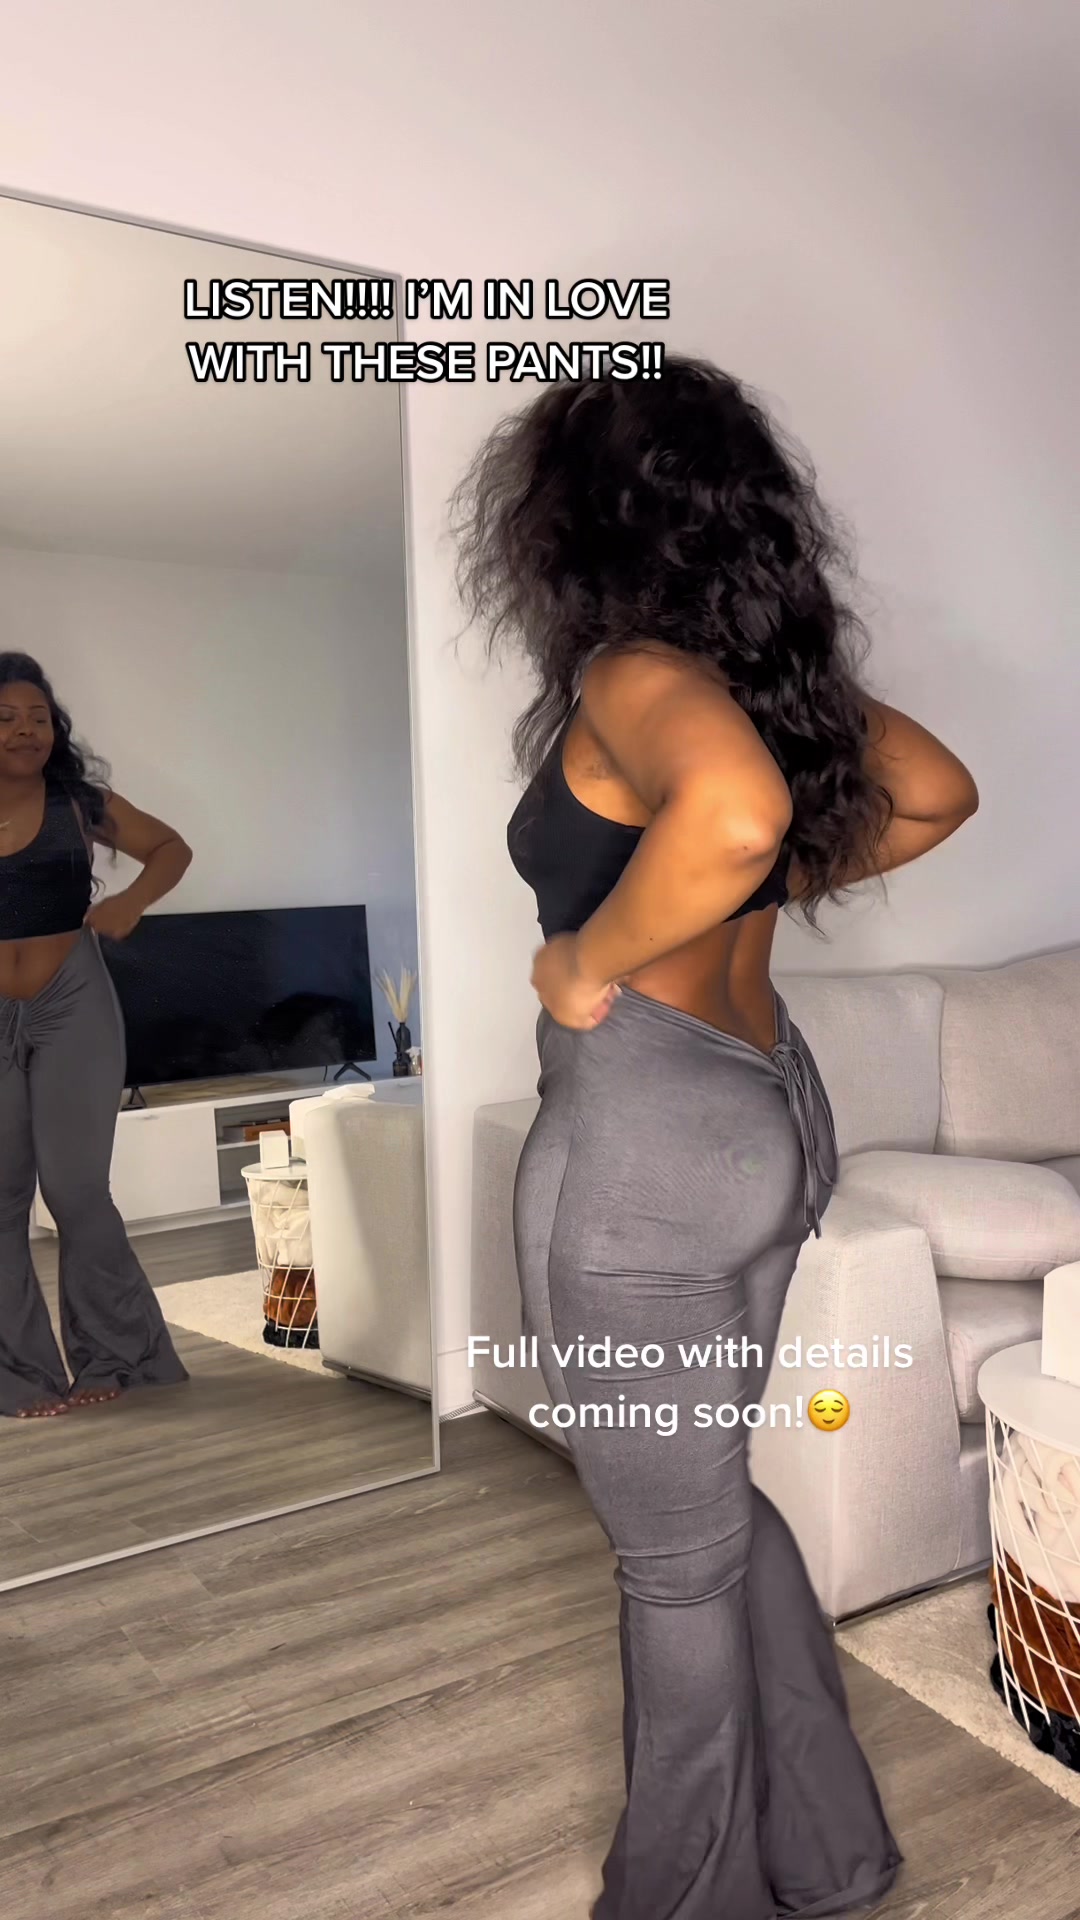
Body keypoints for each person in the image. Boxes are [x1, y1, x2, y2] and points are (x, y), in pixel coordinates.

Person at [451, 357, 979, 1920]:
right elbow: (935, 793)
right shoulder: (759, 677)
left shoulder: (632, 672)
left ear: (574, 529)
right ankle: (826, 1850)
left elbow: (740, 820)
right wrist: (741, 898)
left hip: (648, 1148)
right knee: (709, 1505)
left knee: (670, 1560)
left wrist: (590, 957)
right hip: (765, 1108)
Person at [0, 653, 193, 1419]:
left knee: (77, 1190)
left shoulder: (80, 803)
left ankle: (118, 1354)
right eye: (6, 718)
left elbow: (171, 847)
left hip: (73, 1001)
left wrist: (132, 902)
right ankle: (17, 1373)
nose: (25, 731)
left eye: (37, 718)